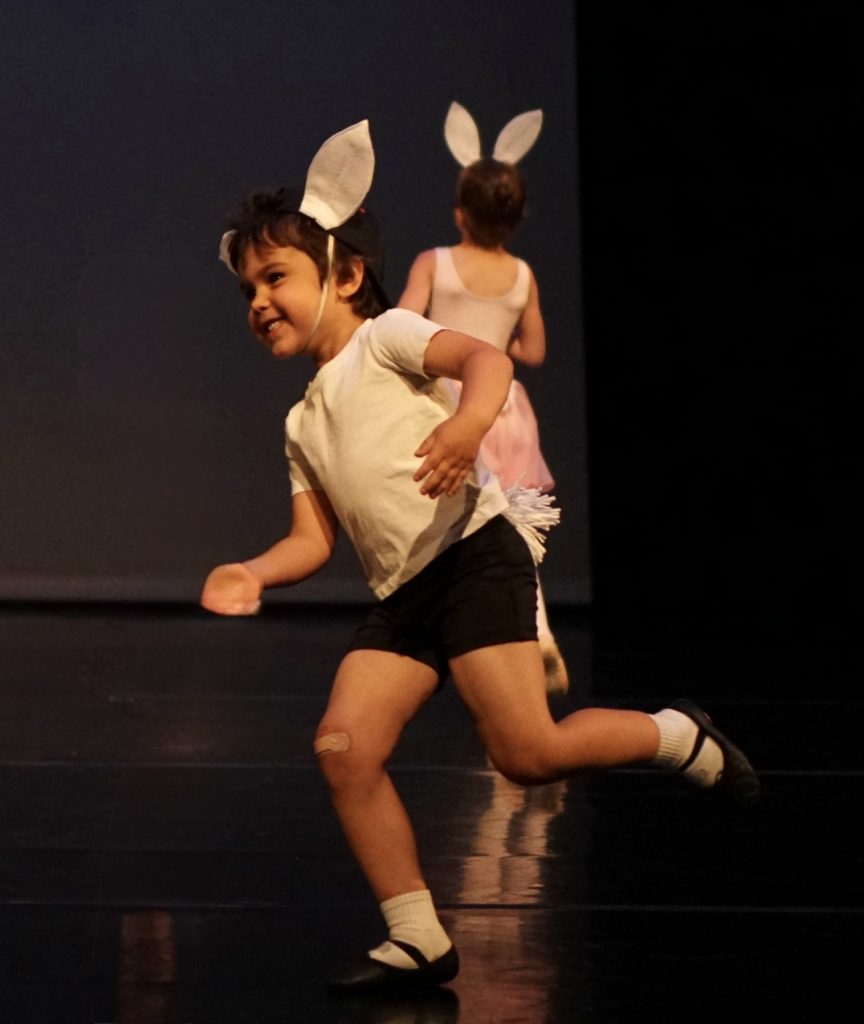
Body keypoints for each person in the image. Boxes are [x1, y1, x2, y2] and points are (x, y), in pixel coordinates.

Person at [200, 120, 759, 993]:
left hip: (471, 557)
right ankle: (418, 934)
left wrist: (465, 424)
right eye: (247, 290)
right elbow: (314, 539)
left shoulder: (385, 337)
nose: (257, 301)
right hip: (404, 594)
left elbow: (486, 359)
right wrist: (252, 572)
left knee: (526, 755)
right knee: (345, 750)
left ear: (344, 275)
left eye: (275, 278)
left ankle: (677, 735)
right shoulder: (300, 421)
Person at [398, 102, 567, 694]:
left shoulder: (435, 261)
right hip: (508, 410)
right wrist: (499, 334)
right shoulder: (522, 274)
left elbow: (402, 326)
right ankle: (537, 629)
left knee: (454, 524)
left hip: (452, 406)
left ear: (460, 214)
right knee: (513, 528)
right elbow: (536, 350)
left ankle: (447, 637)